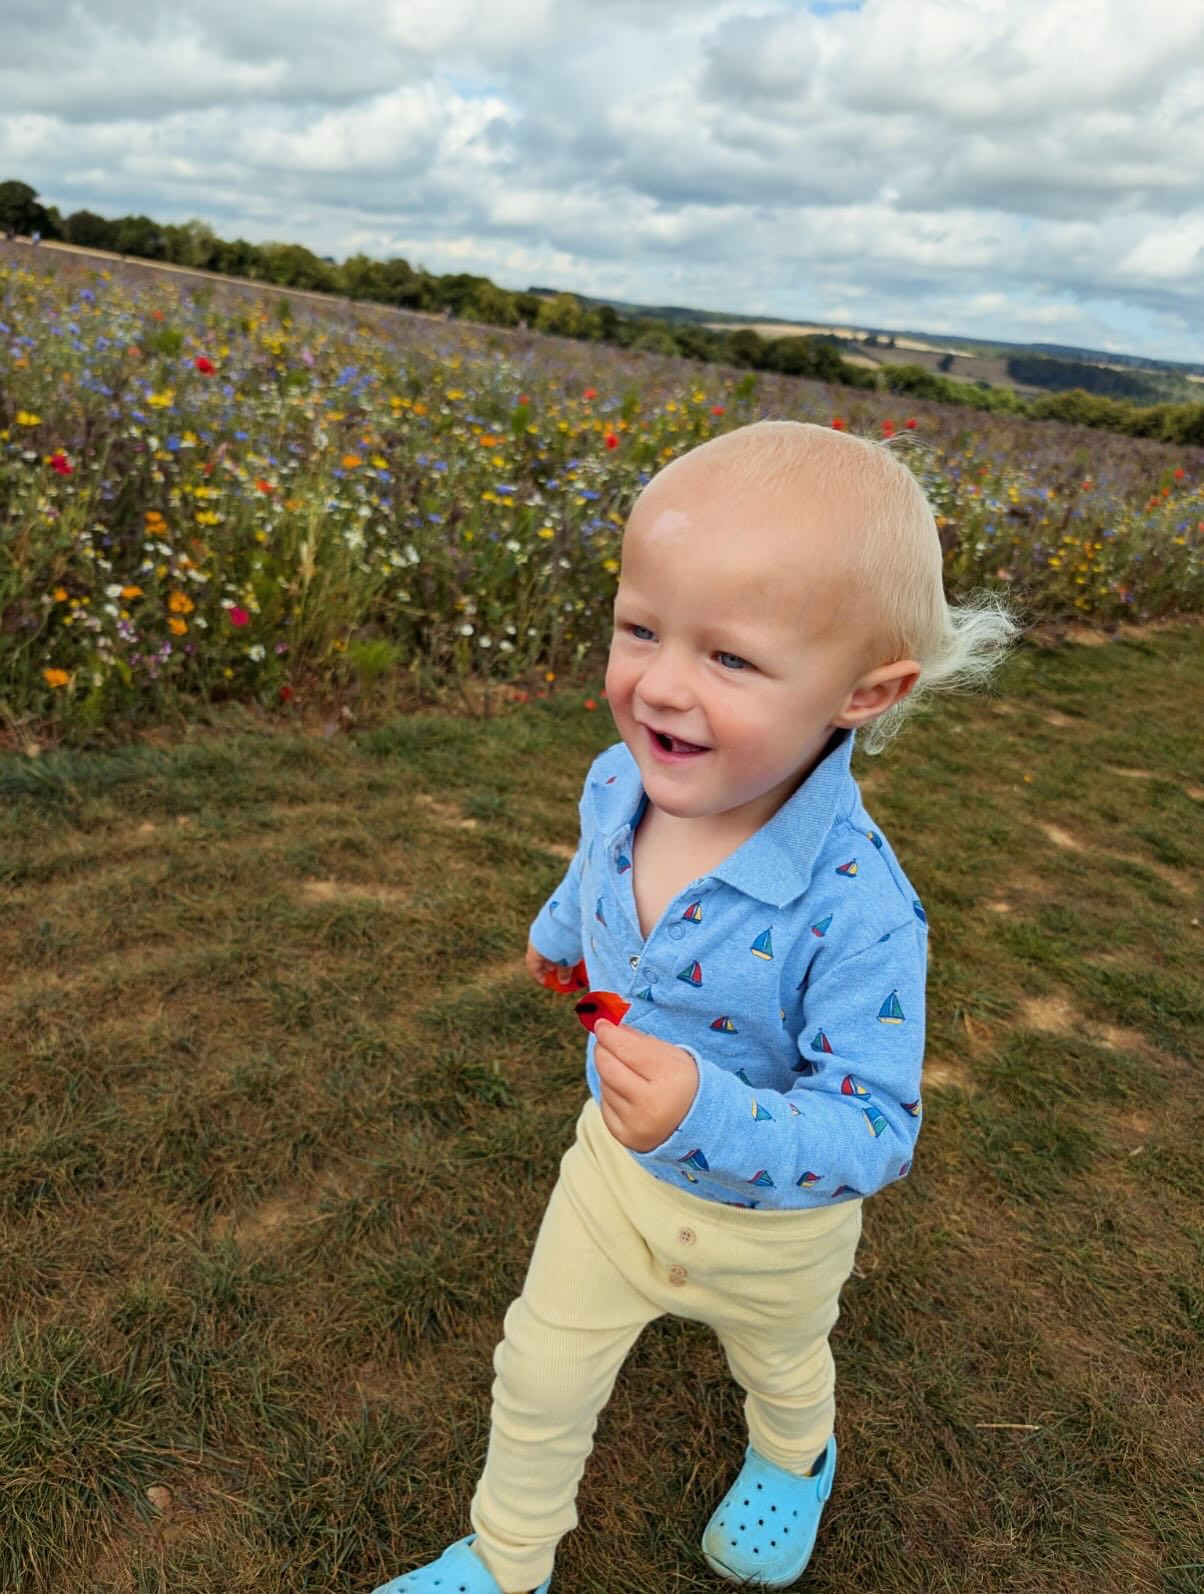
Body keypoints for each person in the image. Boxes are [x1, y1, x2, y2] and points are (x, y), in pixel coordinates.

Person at [371, 419, 1021, 1594]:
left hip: (775, 1231)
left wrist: (702, 1113)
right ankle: (506, 1560)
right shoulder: (623, 778)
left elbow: (877, 1129)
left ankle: (797, 1453)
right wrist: (558, 938)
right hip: (613, 1182)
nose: (660, 682)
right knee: (542, 1365)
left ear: (864, 693)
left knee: (778, 1366)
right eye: (641, 628)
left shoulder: (864, 911)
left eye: (731, 658)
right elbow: (592, 871)